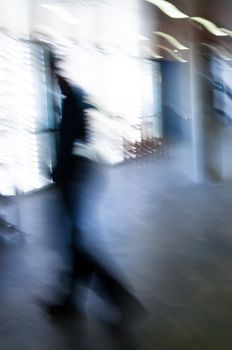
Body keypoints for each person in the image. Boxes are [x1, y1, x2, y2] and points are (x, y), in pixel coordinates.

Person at [43, 50, 147, 331]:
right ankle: (71, 303)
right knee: (76, 245)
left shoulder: (71, 99)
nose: (52, 77)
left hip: (74, 180)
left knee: (79, 246)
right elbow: (80, 137)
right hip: (75, 177)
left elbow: (75, 139)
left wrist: (62, 170)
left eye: (51, 71)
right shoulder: (71, 98)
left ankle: (123, 301)